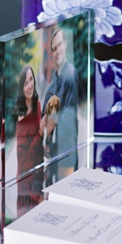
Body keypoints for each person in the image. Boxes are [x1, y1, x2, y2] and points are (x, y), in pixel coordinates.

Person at [44, 26, 80, 177]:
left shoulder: (71, 75)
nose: (57, 51)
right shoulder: (52, 86)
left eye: (59, 45)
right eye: (54, 48)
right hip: (53, 155)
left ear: (65, 44)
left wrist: (51, 121)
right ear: (51, 53)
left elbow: (67, 118)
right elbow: (44, 120)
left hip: (66, 154)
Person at [13, 64, 43, 214]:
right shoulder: (21, 115)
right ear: (21, 88)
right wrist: (41, 133)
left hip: (39, 168)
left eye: (31, 80)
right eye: (25, 83)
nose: (30, 85)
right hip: (26, 173)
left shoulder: (37, 104)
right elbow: (22, 152)